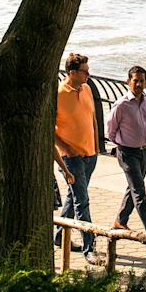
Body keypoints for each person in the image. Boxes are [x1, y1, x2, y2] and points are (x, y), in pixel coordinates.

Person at [54, 52, 103, 265]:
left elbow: (91, 117)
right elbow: (50, 129)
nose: (88, 75)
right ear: (72, 72)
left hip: (90, 154)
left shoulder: (87, 89)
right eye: (85, 71)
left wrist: (97, 144)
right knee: (82, 201)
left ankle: (58, 235)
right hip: (71, 158)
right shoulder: (58, 93)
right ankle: (89, 248)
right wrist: (66, 148)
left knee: (73, 198)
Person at [106, 65, 146, 238]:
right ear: (128, 81)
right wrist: (121, 145)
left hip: (144, 151)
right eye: (135, 80)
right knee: (139, 191)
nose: (138, 84)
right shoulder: (122, 105)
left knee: (134, 187)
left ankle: (120, 221)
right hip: (128, 153)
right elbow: (110, 130)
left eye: (142, 81)